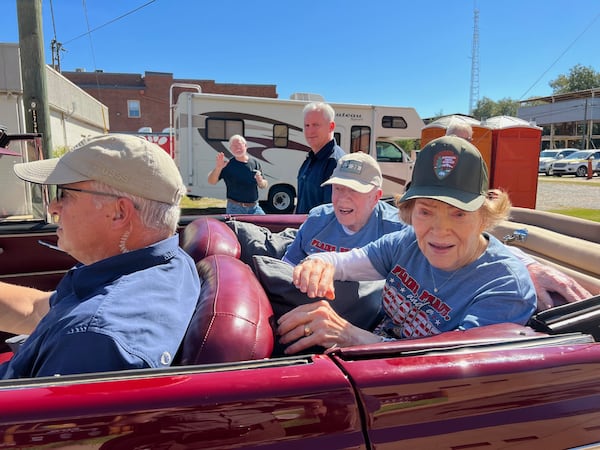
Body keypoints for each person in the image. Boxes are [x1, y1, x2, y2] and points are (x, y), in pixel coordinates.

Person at [278, 135, 537, 354]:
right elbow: (345, 263)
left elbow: (452, 366)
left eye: (458, 213)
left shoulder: (504, 285)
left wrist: (350, 336)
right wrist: (319, 262)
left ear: (483, 217)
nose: (439, 230)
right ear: (410, 211)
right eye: (426, 211)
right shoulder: (407, 242)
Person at [0, 134, 200, 378]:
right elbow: (37, 309)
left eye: (64, 193)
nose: (53, 207)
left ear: (119, 212)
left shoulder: (91, 338)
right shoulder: (167, 263)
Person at [446, 121, 592, 309]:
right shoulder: (446, 168)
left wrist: (523, 265)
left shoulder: (469, 167)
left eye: (467, 140)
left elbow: (477, 237)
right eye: (461, 140)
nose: (465, 145)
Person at [283, 152, 403, 265]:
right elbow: (287, 268)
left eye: (354, 190)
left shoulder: (397, 231)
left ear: (376, 197)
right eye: (338, 188)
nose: (343, 199)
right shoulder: (316, 220)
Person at [295, 102, 346, 214]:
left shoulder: (335, 164)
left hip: (318, 231)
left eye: (316, 125)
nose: (310, 131)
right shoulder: (310, 159)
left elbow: (330, 215)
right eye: (307, 125)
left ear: (331, 126)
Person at [207, 134, 268, 215]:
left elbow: (264, 185)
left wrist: (260, 181)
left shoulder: (255, 163)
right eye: (234, 146)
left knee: (265, 226)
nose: (237, 148)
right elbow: (211, 181)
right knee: (235, 228)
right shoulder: (227, 165)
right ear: (230, 149)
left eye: (239, 144)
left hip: (254, 208)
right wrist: (218, 168)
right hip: (235, 208)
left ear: (245, 146)